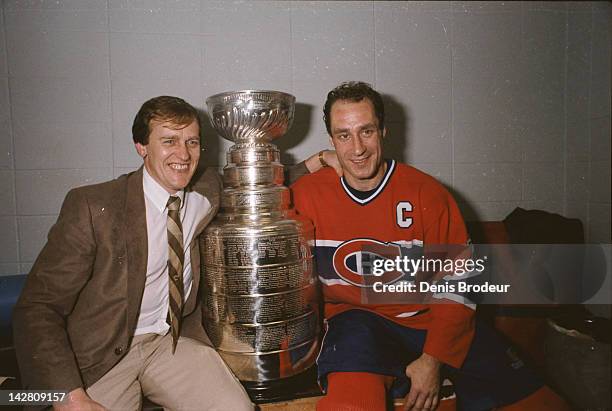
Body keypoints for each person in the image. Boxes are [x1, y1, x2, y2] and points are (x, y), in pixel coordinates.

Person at [12, 95, 331, 411]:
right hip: (101, 354)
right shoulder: (94, 207)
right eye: (169, 141)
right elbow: (38, 308)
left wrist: (318, 161)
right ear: (141, 147)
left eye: (192, 142)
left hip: (170, 342)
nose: (183, 154)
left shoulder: (205, 188)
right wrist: (68, 396)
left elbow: (259, 185)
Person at [290, 82, 570, 411]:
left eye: (366, 131)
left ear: (382, 130)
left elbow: (459, 281)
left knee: (547, 405)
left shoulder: (427, 193)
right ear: (331, 141)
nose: (357, 149)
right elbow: (243, 189)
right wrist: (311, 163)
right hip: (355, 324)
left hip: (429, 322)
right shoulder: (307, 194)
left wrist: (434, 359)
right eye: (343, 135)